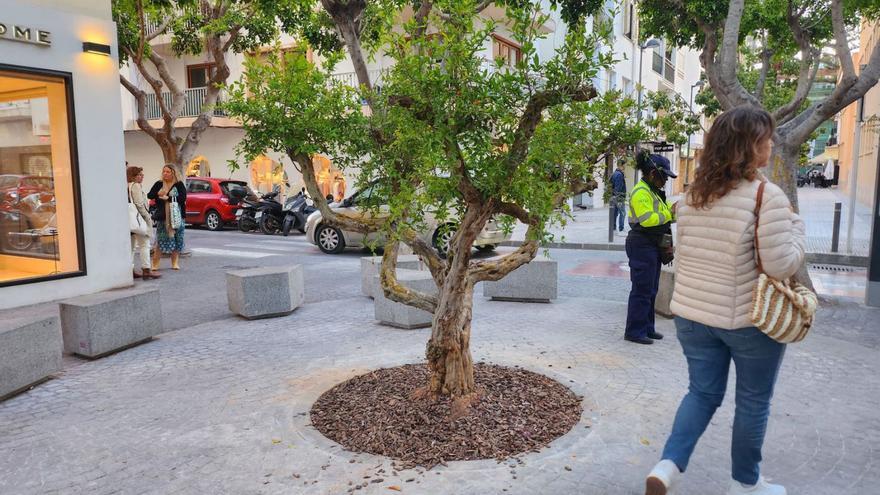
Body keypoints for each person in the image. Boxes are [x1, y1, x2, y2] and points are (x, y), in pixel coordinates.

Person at [644, 106, 805, 495]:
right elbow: (781, 264)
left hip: (693, 317)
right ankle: (746, 485)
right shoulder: (766, 197)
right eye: (764, 138)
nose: (770, 144)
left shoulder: (693, 195)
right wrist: (798, 231)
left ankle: (667, 466)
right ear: (749, 147)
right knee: (752, 402)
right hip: (749, 321)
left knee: (701, 393)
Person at [624, 151, 676, 345]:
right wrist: (670, 214)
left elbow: (664, 215)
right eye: (664, 176)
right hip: (641, 243)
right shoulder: (641, 192)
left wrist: (675, 213)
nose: (665, 181)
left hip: (652, 244)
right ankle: (634, 331)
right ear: (653, 173)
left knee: (651, 288)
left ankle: (647, 328)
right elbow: (647, 220)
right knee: (642, 289)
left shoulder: (653, 191)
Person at [148, 165, 187, 271]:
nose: (165, 173)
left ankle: (175, 263)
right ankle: (155, 264)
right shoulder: (159, 184)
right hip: (163, 217)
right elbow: (149, 195)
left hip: (177, 216)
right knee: (160, 240)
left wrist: (168, 198)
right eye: (164, 171)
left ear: (173, 173)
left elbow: (183, 198)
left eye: (168, 172)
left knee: (177, 239)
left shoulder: (179, 184)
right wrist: (157, 193)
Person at [127, 166, 160, 280]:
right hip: (138, 220)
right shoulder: (135, 186)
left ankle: (130, 270)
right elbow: (139, 204)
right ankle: (146, 270)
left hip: (129, 221)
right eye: (139, 175)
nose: (142, 177)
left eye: (142, 175)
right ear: (133, 176)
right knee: (144, 244)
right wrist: (147, 217)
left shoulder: (127, 185)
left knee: (131, 246)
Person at [610, 160, 627, 233]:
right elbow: (618, 187)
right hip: (619, 197)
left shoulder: (614, 173)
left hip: (614, 196)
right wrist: (618, 197)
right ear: (621, 165)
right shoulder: (619, 175)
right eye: (624, 165)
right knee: (622, 213)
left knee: (615, 213)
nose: (625, 167)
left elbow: (610, 185)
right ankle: (621, 228)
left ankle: (613, 228)